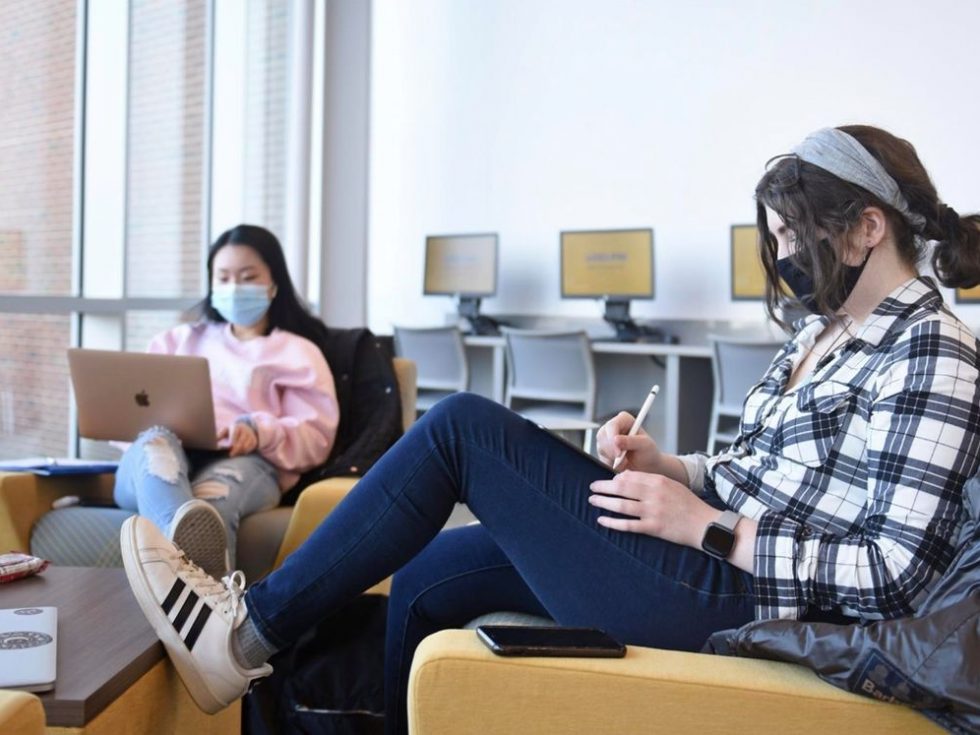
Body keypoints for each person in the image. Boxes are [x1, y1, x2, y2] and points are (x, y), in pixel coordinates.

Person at [120, 126, 980, 733]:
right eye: (779, 236)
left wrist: (704, 524)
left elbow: (891, 575)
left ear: (870, 227)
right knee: (425, 578)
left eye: (799, 234)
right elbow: (758, 469)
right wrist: (673, 469)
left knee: (461, 430)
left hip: (745, 598)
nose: (786, 254)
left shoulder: (931, 351)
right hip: (706, 553)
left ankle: (244, 632)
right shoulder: (822, 331)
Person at [113, 224, 339, 579]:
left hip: (243, 462)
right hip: (162, 461)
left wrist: (260, 429)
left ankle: (197, 599)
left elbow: (316, 437)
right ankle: (190, 559)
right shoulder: (176, 341)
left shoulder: (297, 351)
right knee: (156, 446)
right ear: (212, 284)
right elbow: (130, 415)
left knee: (206, 510)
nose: (234, 288)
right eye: (224, 277)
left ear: (274, 284)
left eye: (248, 277)